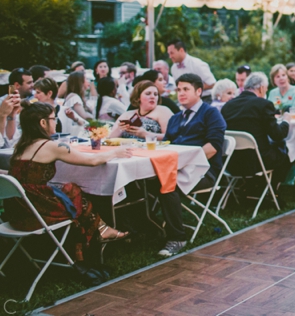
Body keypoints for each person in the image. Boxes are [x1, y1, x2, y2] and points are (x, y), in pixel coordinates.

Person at [5, 101, 131, 262]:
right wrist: (116, 152)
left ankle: (101, 229)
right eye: (53, 118)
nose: (56, 121)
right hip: (34, 212)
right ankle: (98, 235)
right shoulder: (51, 146)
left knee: (67, 190)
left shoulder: (20, 146)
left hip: (16, 210)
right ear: (42, 123)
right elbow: (92, 161)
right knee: (73, 190)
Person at [157, 73, 227, 257]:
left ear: (198, 91)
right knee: (143, 179)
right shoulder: (175, 118)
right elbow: (165, 145)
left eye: (186, 89)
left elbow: (212, 148)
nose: (181, 93)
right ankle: (149, 228)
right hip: (173, 167)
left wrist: (183, 162)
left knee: (167, 185)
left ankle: (177, 237)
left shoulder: (211, 113)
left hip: (203, 171)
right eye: (179, 89)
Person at [222, 72, 291, 183]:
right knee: (285, 152)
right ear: (261, 88)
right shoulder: (263, 104)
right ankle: (271, 191)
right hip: (256, 162)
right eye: (266, 89)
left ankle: (251, 187)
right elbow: (277, 135)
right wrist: (286, 121)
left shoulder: (228, 106)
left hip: (230, 163)